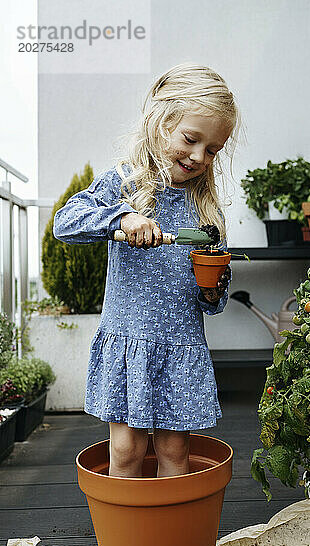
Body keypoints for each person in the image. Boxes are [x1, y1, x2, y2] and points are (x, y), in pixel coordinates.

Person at [53, 62, 241, 479]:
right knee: (125, 450)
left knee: (176, 452)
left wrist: (213, 289)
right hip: (129, 343)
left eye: (212, 150)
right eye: (191, 140)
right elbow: (65, 222)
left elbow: (213, 299)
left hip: (180, 345)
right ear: (161, 122)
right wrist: (121, 219)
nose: (199, 157)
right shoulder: (125, 183)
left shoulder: (205, 210)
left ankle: (169, 541)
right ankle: (131, 542)